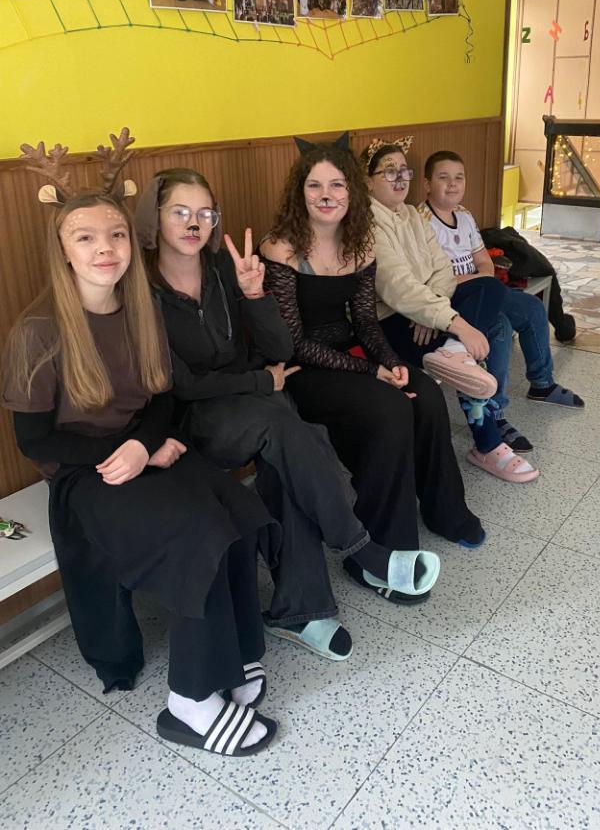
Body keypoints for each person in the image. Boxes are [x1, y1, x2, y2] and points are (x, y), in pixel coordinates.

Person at [3, 134, 281, 758]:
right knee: (195, 532)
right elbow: (34, 438)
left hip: (142, 451)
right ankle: (190, 702)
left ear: (132, 242)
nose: (104, 248)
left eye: (116, 235)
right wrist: (129, 453)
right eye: (85, 237)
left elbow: (161, 399)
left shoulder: (139, 310)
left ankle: (232, 653)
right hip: (84, 477)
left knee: (235, 508)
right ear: (62, 249)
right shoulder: (37, 332)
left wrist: (145, 445)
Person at [134, 168, 439, 654]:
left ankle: (301, 611)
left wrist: (255, 296)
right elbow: (181, 385)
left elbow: (278, 349)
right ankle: (362, 548)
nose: (194, 224)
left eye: (205, 213)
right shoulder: (140, 287)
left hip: (255, 405)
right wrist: (261, 382)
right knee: (286, 428)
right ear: (155, 217)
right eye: (180, 212)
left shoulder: (223, 267)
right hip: (191, 418)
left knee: (289, 454)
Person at [261, 139, 486, 578]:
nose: (327, 195)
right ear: (299, 192)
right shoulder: (280, 248)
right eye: (314, 185)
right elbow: (293, 343)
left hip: (348, 352)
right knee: (390, 409)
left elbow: (365, 321)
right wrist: (372, 370)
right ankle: (381, 550)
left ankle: (444, 510)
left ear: (351, 191)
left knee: (424, 393)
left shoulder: (360, 243)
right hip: (302, 368)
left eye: (337, 185)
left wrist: (392, 363)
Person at [364, 138, 539, 484]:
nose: (399, 179)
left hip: (427, 310)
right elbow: (396, 286)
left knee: (489, 287)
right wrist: (450, 321)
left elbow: (443, 270)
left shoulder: (412, 216)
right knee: (472, 339)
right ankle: (488, 445)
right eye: (388, 172)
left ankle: (454, 352)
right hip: (393, 322)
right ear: (368, 182)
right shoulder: (367, 224)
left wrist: (439, 314)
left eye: (404, 171)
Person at [419, 150, 584, 414]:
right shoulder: (421, 222)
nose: (452, 184)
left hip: (483, 289)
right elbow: (431, 280)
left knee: (532, 307)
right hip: (452, 299)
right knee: (501, 326)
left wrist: (483, 279)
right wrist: (481, 280)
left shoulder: (464, 215)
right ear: (427, 184)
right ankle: (493, 409)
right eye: (443, 177)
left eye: (459, 177)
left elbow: (484, 260)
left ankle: (542, 385)